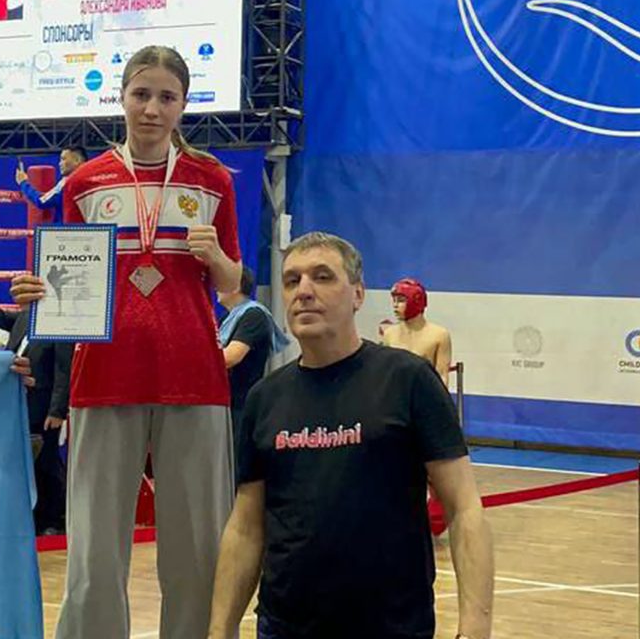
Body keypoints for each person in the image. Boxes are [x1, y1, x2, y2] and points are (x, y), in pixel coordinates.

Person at [10, 45, 242, 639]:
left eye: (166, 97)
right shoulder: (86, 182)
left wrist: (217, 258)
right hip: (103, 378)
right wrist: (40, 290)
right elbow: (69, 277)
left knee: (198, 550)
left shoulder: (212, 181)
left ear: (184, 104)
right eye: (141, 94)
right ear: (121, 98)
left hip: (193, 377)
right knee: (93, 550)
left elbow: (231, 283)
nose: (152, 109)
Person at [208, 232, 494, 639]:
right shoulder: (265, 398)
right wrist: (219, 630)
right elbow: (245, 527)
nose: (304, 291)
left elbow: (464, 508)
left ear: (358, 294)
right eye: (292, 280)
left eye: (322, 276)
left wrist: (475, 629)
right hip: (284, 627)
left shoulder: (408, 380)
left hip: (392, 627)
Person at [0, 273, 71, 535]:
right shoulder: (24, 318)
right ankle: (34, 516)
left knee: (47, 462)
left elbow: (63, 369)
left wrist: (57, 410)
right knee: (26, 462)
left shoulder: (60, 324)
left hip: (44, 405)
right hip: (20, 401)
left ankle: (54, 519)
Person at [217, 266, 289, 442]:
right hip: (225, 404)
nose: (216, 287)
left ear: (235, 285)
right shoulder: (225, 319)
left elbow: (231, 357)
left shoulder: (254, 315)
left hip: (242, 406)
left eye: (221, 281)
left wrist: (195, 361)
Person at [382, 277, 453, 386]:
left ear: (416, 301)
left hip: (425, 393)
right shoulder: (389, 334)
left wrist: (440, 397)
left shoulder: (439, 335)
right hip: (396, 393)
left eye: (401, 300)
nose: (395, 305)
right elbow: (386, 373)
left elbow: (442, 376)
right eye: (394, 300)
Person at [15, 146, 87, 224]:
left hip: (67, 230)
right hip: (89, 229)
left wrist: (23, 183)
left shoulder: (67, 182)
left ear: (77, 160)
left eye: (63, 159)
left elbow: (41, 201)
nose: (60, 164)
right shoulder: (91, 180)